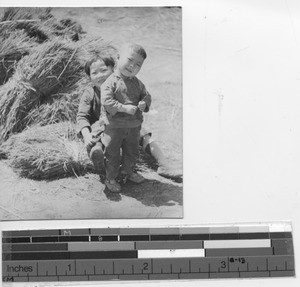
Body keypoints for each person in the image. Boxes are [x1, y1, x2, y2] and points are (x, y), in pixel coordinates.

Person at [76, 54, 182, 191]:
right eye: (94, 73)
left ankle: (163, 163)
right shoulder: (89, 93)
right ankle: (98, 156)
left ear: (113, 69)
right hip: (103, 127)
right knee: (97, 138)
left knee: (143, 134)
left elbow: (140, 100)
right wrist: (86, 134)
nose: (99, 75)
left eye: (103, 70)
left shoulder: (124, 86)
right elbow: (82, 116)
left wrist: (142, 105)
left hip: (126, 125)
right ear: (89, 77)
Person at [100, 43, 152, 192]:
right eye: (129, 60)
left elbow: (147, 96)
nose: (132, 66)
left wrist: (144, 103)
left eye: (138, 65)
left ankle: (128, 172)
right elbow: (107, 102)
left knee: (132, 151)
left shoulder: (138, 83)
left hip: (134, 126)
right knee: (113, 153)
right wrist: (123, 108)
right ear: (117, 58)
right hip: (114, 126)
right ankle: (110, 178)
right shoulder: (110, 82)